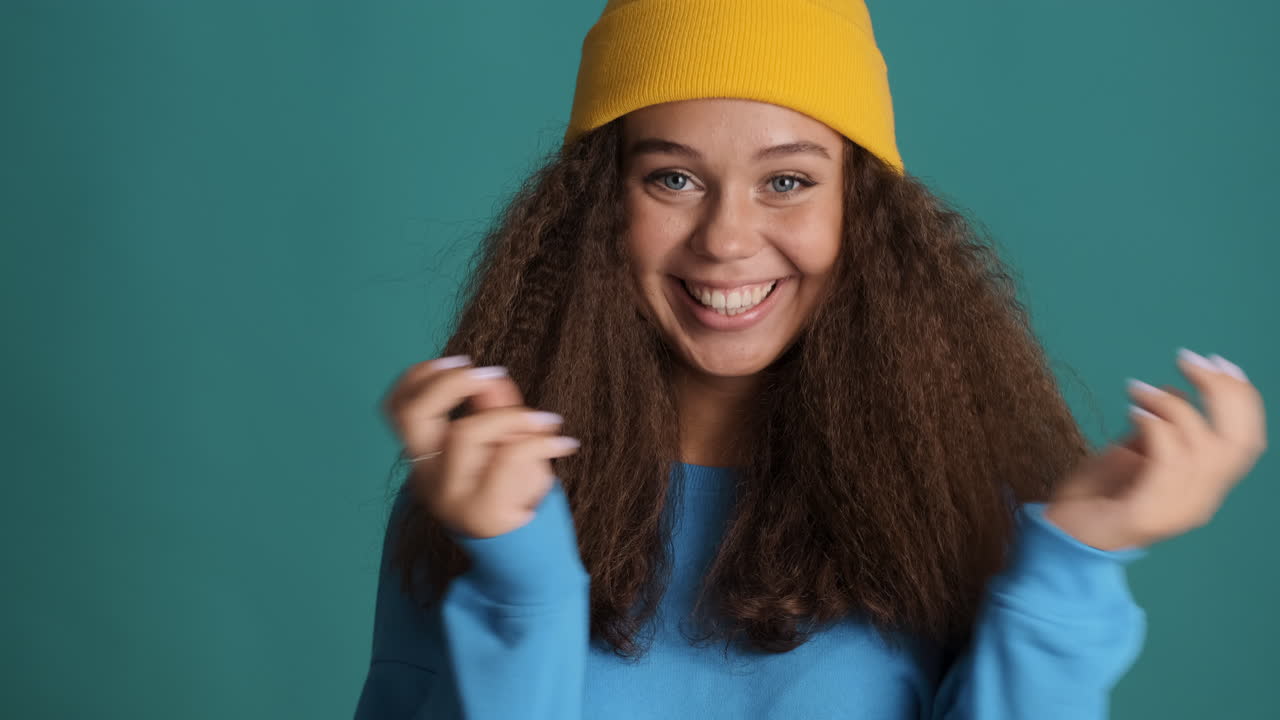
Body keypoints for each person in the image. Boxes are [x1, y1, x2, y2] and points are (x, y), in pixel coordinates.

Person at [354, 1, 1268, 718]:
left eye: (787, 181)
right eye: (672, 178)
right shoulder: (479, 497)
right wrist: (523, 587)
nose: (727, 240)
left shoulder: (961, 503)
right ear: (598, 208)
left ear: (862, 216)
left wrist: (1075, 565)